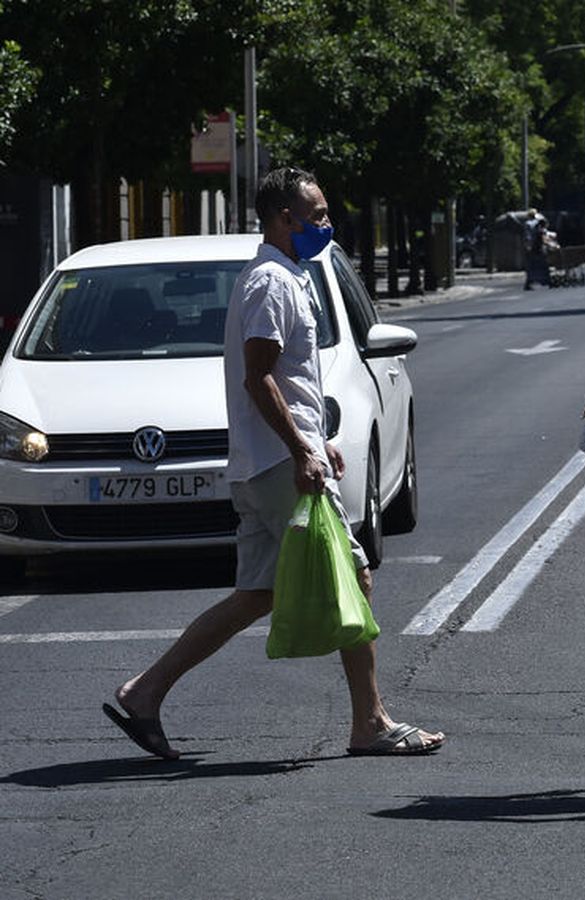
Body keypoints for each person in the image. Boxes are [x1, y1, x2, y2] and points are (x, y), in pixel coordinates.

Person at [102, 167, 445, 760]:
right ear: (283, 218)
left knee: (257, 594)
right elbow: (258, 376)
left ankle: (145, 691)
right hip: (279, 466)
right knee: (354, 576)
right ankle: (372, 723)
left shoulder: (285, 276)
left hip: (265, 464)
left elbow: (285, 380)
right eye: (316, 215)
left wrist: (316, 436)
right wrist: (302, 450)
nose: (326, 224)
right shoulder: (272, 282)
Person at [523, 211, 550, 290]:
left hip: (533, 248)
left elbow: (528, 237)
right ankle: (544, 281)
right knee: (542, 265)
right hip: (540, 248)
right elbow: (545, 234)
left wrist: (528, 246)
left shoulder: (528, 224)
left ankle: (529, 283)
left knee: (531, 266)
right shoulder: (539, 223)